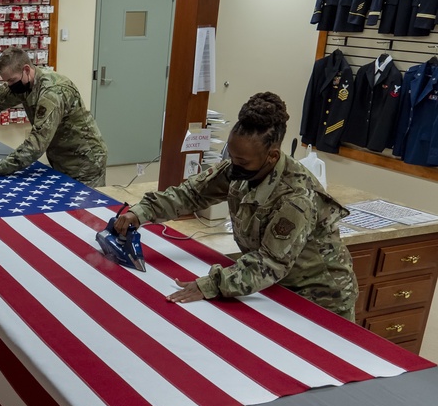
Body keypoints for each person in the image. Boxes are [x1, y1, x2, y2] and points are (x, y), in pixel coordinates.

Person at [113, 92, 358, 320]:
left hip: (320, 298)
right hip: (271, 289)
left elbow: (270, 263)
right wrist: (141, 212)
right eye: (231, 154)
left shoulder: (296, 197)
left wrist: (211, 284)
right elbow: (190, 195)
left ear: (271, 157)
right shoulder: (241, 169)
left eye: (241, 160)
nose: (233, 163)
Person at [0, 47, 108, 187]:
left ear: (26, 69)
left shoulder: (52, 92)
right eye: (6, 81)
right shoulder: (23, 83)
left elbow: (37, 143)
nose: (9, 85)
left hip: (85, 162)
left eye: (11, 80)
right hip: (61, 158)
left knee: (85, 214)